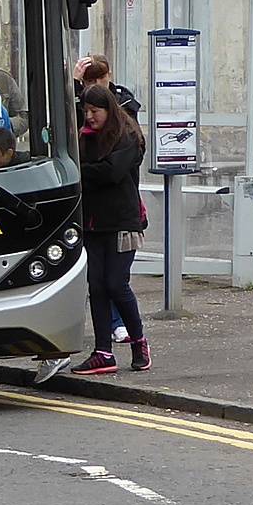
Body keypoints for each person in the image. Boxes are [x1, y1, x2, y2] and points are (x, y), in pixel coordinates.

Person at [69, 84, 150, 376]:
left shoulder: (127, 136)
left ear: (108, 110)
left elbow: (112, 172)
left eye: (95, 111)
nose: (89, 117)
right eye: (86, 111)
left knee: (116, 284)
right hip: (93, 222)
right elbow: (80, 167)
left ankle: (139, 342)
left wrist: (81, 170)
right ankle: (103, 351)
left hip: (123, 222)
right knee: (97, 286)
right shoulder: (83, 138)